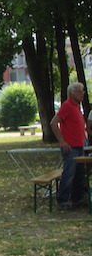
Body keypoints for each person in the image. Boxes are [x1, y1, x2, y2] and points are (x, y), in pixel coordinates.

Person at [51, 82, 87, 210]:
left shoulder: (77, 107)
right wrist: (63, 141)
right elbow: (53, 123)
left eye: (82, 91)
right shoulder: (67, 106)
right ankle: (62, 200)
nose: (82, 94)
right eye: (79, 91)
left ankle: (77, 199)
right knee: (69, 174)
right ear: (71, 93)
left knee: (79, 174)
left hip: (80, 145)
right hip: (70, 147)